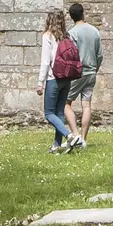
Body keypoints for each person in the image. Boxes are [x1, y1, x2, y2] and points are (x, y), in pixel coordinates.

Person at [38, 9, 81, 151]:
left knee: (49, 113)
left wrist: (40, 82)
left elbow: (45, 61)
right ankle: (56, 145)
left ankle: (69, 136)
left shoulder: (48, 36)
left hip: (53, 78)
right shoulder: (66, 36)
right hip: (66, 79)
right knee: (59, 113)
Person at [66, 2, 103, 145]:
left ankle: (75, 135)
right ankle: (84, 139)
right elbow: (99, 54)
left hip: (78, 72)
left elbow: (71, 55)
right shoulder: (94, 31)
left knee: (65, 103)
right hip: (92, 71)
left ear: (71, 17)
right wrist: (95, 68)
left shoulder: (72, 33)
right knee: (86, 105)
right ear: (83, 13)